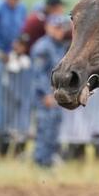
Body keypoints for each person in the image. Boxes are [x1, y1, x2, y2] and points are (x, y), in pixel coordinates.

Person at [31, 14, 70, 167]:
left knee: (53, 130)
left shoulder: (59, 46)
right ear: (48, 28)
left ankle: (48, 161)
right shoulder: (42, 47)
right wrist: (45, 94)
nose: (59, 31)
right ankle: (41, 162)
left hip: (55, 96)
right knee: (44, 130)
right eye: (56, 27)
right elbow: (38, 74)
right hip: (45, 98)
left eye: (61, 28)